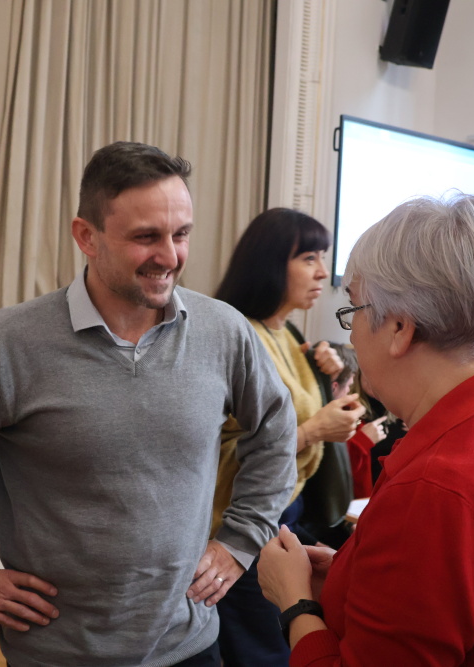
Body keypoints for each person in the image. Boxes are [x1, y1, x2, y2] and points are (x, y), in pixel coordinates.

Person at [0, 141, 299, 666]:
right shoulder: (9, 343)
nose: (170, 256)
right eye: (146, 237)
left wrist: (240, 540)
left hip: (190, 646)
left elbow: (275, 427)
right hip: (57, 653)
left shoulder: (224, 330)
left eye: (181, 234)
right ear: (87, 236)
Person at [258, 194, 474, 665]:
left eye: (355, 309)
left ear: (399, 328)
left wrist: (294, 602)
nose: (352, 334)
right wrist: (350, 574)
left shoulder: (437, 488)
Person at [210, 208, 366, 666]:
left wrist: (334, 384)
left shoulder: (287, 332)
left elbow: (291, 415)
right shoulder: (236, 336)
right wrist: (316, 429)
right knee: (265, 654)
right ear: (270, 263)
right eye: (308, 258)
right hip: (242, 521)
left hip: (286, 513)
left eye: (323, 258)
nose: (322, 272)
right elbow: (214, 450)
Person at [328, 344, 388, 499]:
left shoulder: (397, 410)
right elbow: (335, 471)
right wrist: (362, 441)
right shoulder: (346, 411)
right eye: (369, 371)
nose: (375, 379)